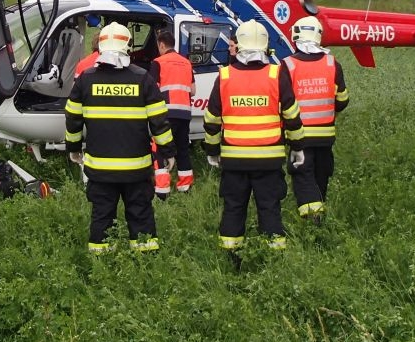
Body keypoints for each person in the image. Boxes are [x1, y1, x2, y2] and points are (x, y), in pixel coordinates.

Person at [65, 22, 175, 253]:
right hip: (137, 169)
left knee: (102, 217)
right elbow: (159, 122)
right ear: (128, 46)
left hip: (100, 169)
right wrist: (168, 153)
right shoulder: (142, 78)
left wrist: (73, 149)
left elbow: (73, 119)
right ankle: (145, 263)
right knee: (141, 216)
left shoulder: (86, 79)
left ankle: (102, 265)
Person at [204, 19, 305, 258]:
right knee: (270, 209)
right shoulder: (275, 74)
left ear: (238, 46)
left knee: (233, 209)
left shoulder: (225, 75)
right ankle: (274, 260)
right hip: (268, 160)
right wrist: (297, 147)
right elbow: (292, 115)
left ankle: (231, 259)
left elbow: (211, 119)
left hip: (234, 160)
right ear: (266, 45)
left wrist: (211, 151)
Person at [282, 16, 349, 224]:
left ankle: (313, 222)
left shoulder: (288, 65)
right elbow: (343, 100)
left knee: (303, 176)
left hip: (298, 135)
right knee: (321, 175)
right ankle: (320, 211)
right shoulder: (332, 63)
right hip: (325, 136)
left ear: (295, 36)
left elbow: (282, 103)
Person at [148, 28, 195, 199]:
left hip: (165, 114)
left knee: (159, 148)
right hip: (184, 113)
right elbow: (193, 90)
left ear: (161, 45)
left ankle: (162, 190)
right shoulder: (186, 62)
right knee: (182, 149)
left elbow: (151, 90)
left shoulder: (158, 62)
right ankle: (185, 186)